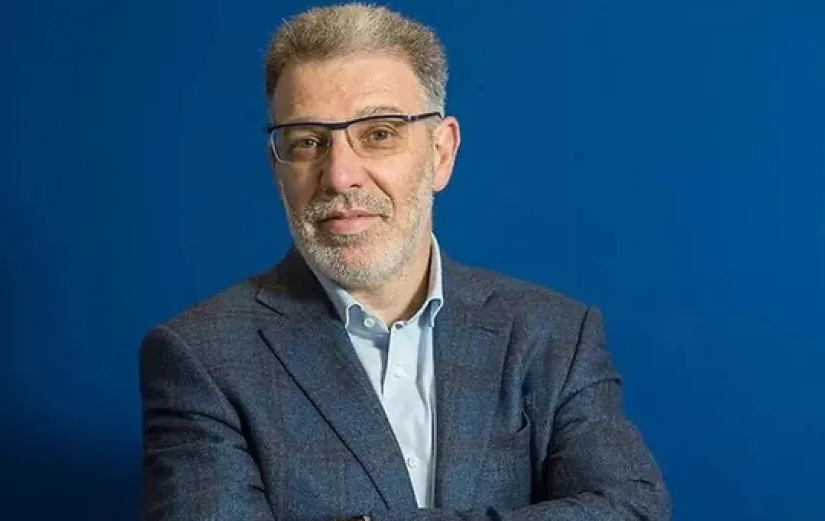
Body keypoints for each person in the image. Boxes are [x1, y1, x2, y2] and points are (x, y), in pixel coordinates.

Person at [138, 3, 671, 521]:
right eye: (308, 141)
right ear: (278, 168)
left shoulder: (554, 335)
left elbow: (633, 510)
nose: (340, 175)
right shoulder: (201, 357)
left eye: (379, 134)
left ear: (441, 153)